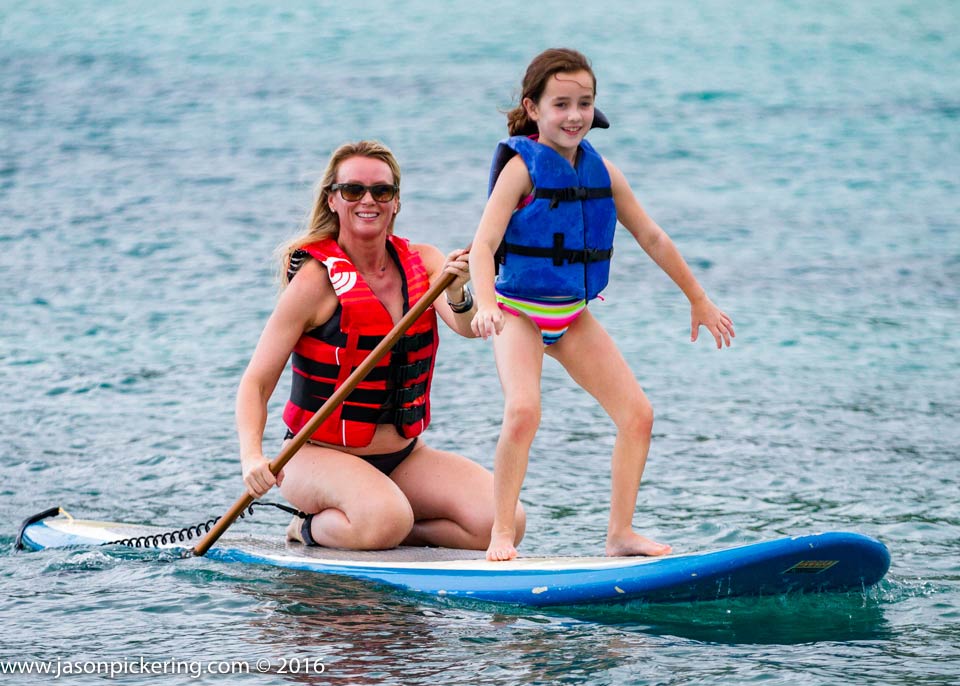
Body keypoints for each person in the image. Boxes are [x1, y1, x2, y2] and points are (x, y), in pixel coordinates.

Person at [469, 48, 734, 562]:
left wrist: (698, 298)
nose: (574, 116)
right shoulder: (521, 170)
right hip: (518, 312)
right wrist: (485, 303)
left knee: (638, 415)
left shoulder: (603, 171)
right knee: (523, 412)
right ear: (533, 108)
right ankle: (501, 532)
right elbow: (483, 245)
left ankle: (620, 533)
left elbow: (652, 236)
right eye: (561, 104)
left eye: (584, 103)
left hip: (571, 316)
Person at [237, 140, 524, 551]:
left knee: (504, 519)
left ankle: (393, 527)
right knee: (384, 518)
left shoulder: (425, 262)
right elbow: (256, 383)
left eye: (381, 191)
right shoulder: (314, 283)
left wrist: (458, 289)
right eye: (353, 190)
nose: (368, 200)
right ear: (333, 200)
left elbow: (466, 327)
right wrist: (252, 457)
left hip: (404, 456)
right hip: (315, 456)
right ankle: (308, 527)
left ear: (396, 202)